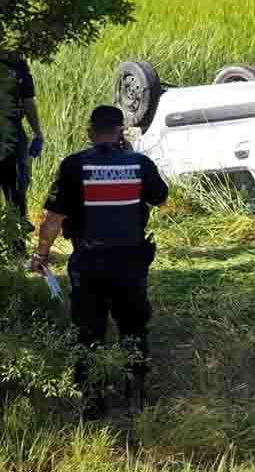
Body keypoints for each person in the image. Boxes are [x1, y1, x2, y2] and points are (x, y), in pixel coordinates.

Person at [30, 105, 168, 416]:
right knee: (133, 327)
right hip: (130, 264)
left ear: (91, 133)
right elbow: (161, 199)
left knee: (89, 331)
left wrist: (41, 255)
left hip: (88, 264)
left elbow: (52, 220)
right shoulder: (140, 164)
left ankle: (92, 402)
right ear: (120, 132)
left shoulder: (73, 166)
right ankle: (137, 396)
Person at [0, 51, 45, 224]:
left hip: (13, 129)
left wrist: (38, 133)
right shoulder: (17, 65)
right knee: (17, 182)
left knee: (20, 179)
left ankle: (17, 228)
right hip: (9, 131)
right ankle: (17, 225)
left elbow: (28, 101)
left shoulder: (20, 65)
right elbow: (28, 102)